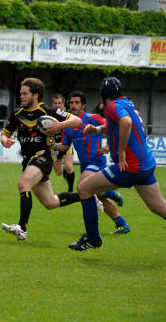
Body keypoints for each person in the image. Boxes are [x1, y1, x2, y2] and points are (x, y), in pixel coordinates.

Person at [69, 77, 166, 251]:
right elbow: (116, 124)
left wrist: (121, 151)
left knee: (84, 189)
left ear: (103, 93)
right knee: (159, 207)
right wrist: (97, 129)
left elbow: (126, 123)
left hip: (130, 166)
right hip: (146, 164)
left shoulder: (112, 106)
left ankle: (92, 239)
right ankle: (111, 197)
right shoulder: (127, 103)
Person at [0, 77, 82, 241]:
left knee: (23, 184)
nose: (21, 96)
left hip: (43, 158)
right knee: (51, 202)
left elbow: (77, 120)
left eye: (25, 94)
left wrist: (59, 125)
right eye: (20, 93)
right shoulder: (17, 114)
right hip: (28, 161)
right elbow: (4, 134)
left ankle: (22, 228)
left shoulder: (49, 111)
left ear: (35, 95)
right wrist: (4, 140)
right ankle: (87, 194)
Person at [55, 91, 130, 235]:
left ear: (83, 105)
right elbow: (64, 146)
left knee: (82, 188)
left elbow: (113, 128)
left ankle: (92, 232)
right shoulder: (67, 125)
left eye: (77, 102)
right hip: (85, 165)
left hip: (96, 160)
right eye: (71, 102)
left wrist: (108, 145)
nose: (73, 105)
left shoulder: (92, 118)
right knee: (98, 194)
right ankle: (121, 223)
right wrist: (52, 146)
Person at [51, 93, 75, 192]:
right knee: (59, 172)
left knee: (69, 167)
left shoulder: (68, 116)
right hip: (55, 145)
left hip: (66, 143)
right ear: (52, 104)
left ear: (63, 104)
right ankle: (65, 171)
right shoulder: (49, 116)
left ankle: (70, 191)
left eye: (59, 103)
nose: (57, 105)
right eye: (55, 103)